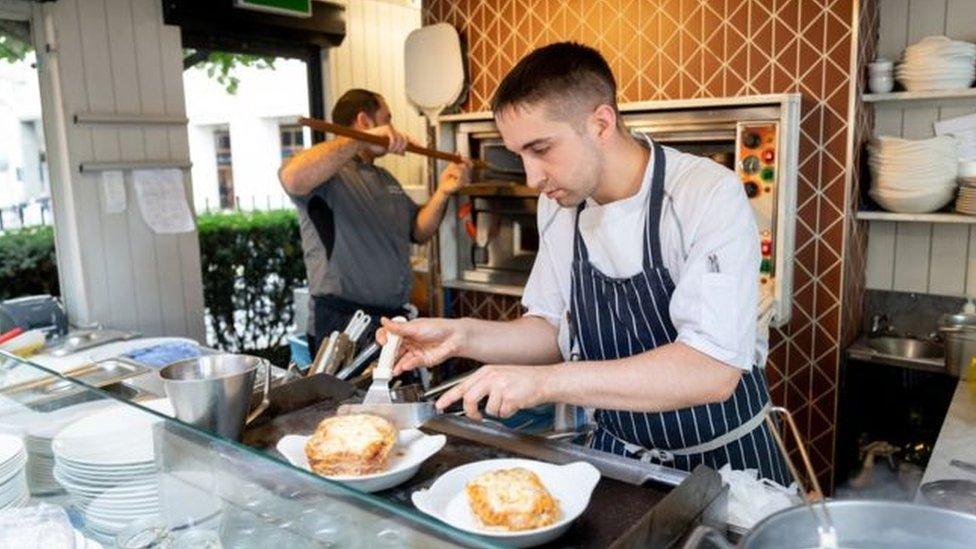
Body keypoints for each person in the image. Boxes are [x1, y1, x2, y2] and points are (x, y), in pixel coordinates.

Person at [378, 43, 789, 484]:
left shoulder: (705, 195)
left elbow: (711, 370)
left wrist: (543, 383)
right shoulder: (561, 205)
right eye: (520, 155)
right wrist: (458, 336)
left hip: (725, 466)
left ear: (600, 123)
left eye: (541, 149)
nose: (533, 178)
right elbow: (550, 330)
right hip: (620, 462)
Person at [279, 89, 470, 356]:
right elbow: (292, 177)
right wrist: (357, 141)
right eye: (387, 120)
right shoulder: (328, 177)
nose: (392, 129)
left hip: (389, 320)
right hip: (342, 323)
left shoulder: (385, 179)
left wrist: (443, 192)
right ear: (365, 122)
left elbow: (418, 231)